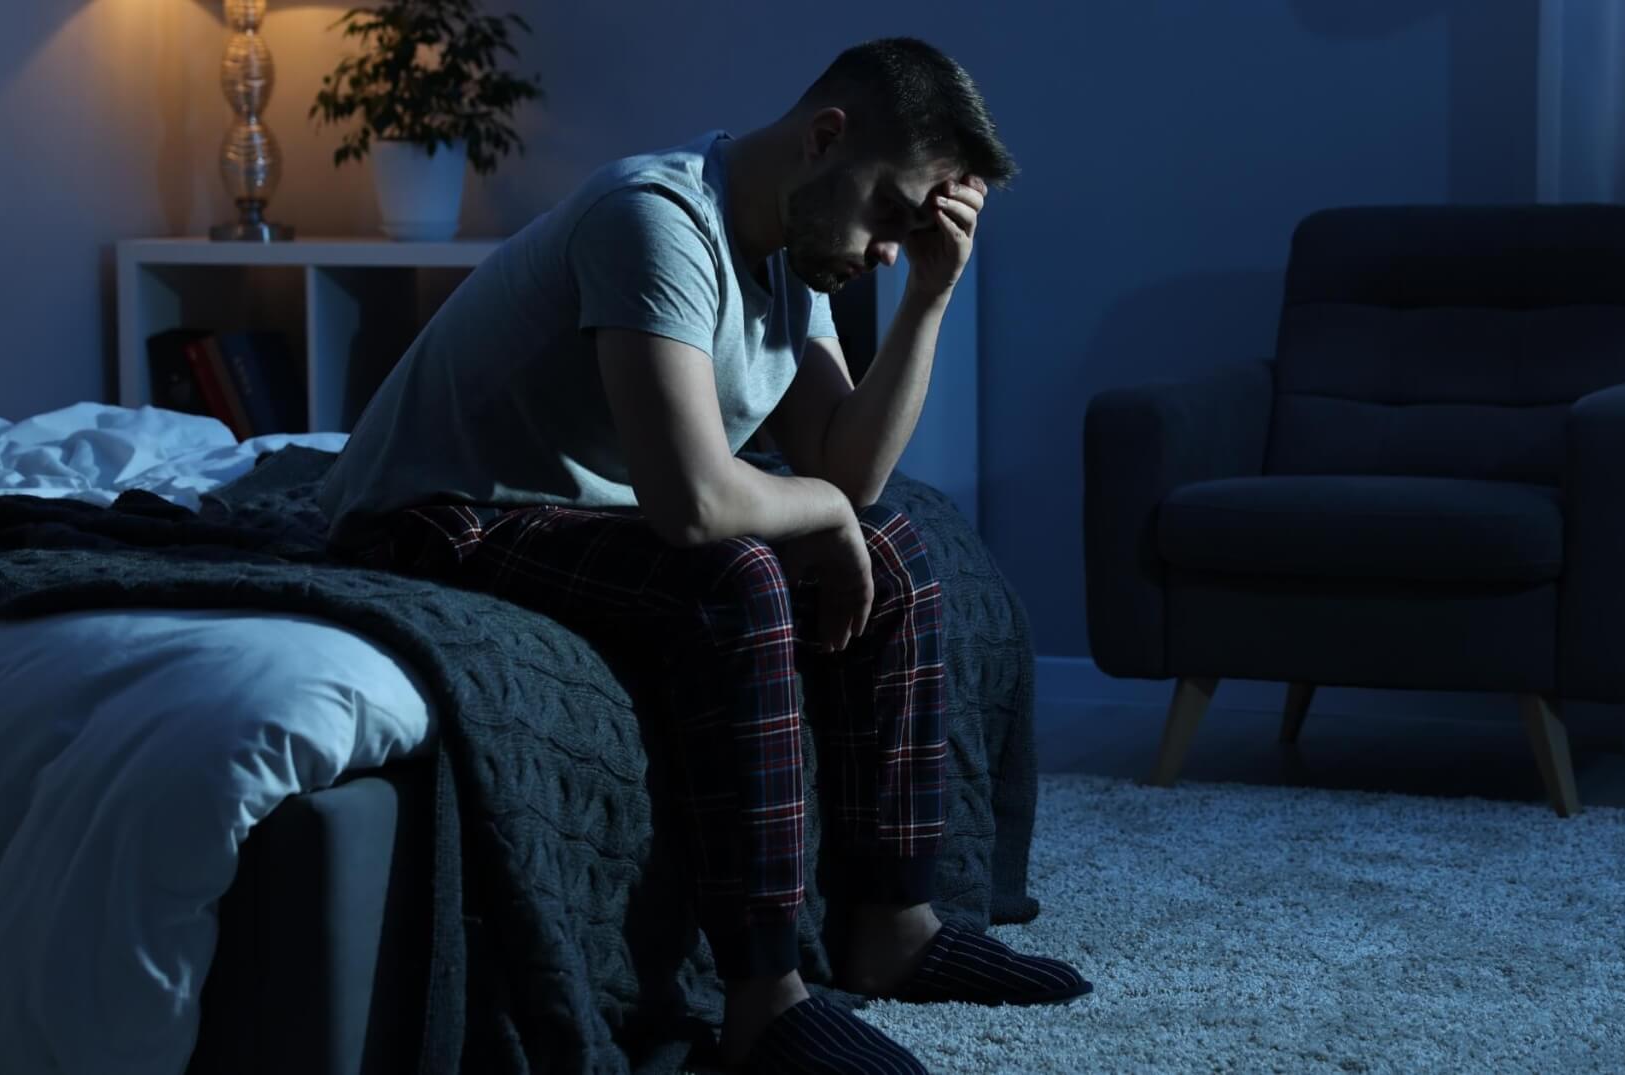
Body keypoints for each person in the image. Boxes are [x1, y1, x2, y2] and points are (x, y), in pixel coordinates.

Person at [320, 36, 1089, 1075]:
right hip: (434, 514)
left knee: (891, 542)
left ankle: (890, 925)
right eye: (891, 214)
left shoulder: (791, 251)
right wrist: (817, 516)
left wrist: (928, 298)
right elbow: (690, 505)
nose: (888, 249)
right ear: (826, 139)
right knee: (735, 573)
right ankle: (763, 996)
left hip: (572, 513)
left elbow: (845, 472)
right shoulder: (655, 217)